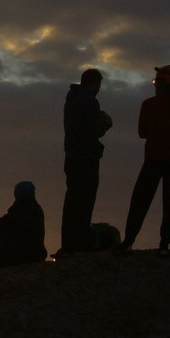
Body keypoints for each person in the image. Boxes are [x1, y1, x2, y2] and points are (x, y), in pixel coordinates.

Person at [116, 65, 170, 256]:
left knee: (140, 201)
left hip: (154, 158)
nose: (154, 84)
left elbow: (142, 132)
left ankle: (128, 242)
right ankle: (164, 246)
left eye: (156, 81)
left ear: (161, 84)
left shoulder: (149, 105)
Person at [59, 68, 112, 254]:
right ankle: (80, 242)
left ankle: (69, 243)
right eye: (99, 84)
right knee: (85, 201)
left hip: (72, 156)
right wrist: (104, 123)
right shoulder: (90, 101)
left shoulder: (71, 100)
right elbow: (92, 131)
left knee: (72, 200)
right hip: (86, 157)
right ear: (95, 83)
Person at [0, 181, 48, 267]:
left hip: (22, 254)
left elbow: (2, 223)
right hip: (36, 253)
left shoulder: (21, 209)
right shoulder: (35, 209)